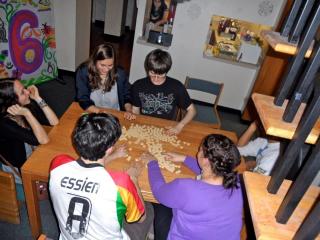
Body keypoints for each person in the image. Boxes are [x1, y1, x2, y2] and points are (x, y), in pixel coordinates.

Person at [49, 113, 151, 240]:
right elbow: (141, 218)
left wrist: (111, 157)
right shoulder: (121, 183)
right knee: (149, 210)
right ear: (109, 149)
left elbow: (83, 166)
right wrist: (133, 178)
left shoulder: (58, 164)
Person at [136, 134, 243, 240]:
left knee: (158, 202)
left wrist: (152, 163)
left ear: (206, 160)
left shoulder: (186, 188)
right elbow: (213, 172)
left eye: (200, 149)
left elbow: (159, 191)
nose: (197, 152)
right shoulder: (238, 182)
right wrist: (185, 159)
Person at [131, 49, 196, 135]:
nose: (156, 79)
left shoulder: (176, 87)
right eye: (152, 73)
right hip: (144, 126)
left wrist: (179, 126)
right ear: (148, 69)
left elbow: (192, 110)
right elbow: (135, 109)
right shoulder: (138, 85)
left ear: (166, 71)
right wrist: (138, 124)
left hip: (166, 128)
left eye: (161, 75)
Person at [0, 78, 59, 171]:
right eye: (22, 92)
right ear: (12, 101)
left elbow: (54, 122)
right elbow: (43, 140)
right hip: (20, 168)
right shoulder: (5, 124)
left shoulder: (23, 106)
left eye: (25, 88)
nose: (27, 92)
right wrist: (28, 114)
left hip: (33, 152)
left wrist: (38, 98)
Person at [75, 43, 135, 120]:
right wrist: (100, 113)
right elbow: (83, 98)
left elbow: (127, 95)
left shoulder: (120, 73)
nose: (106, 69)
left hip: (115, 112)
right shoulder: (83, 72)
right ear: (94, 60)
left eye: (110, 65)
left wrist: (129, 110)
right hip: (92, 110)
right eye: (102, 65)